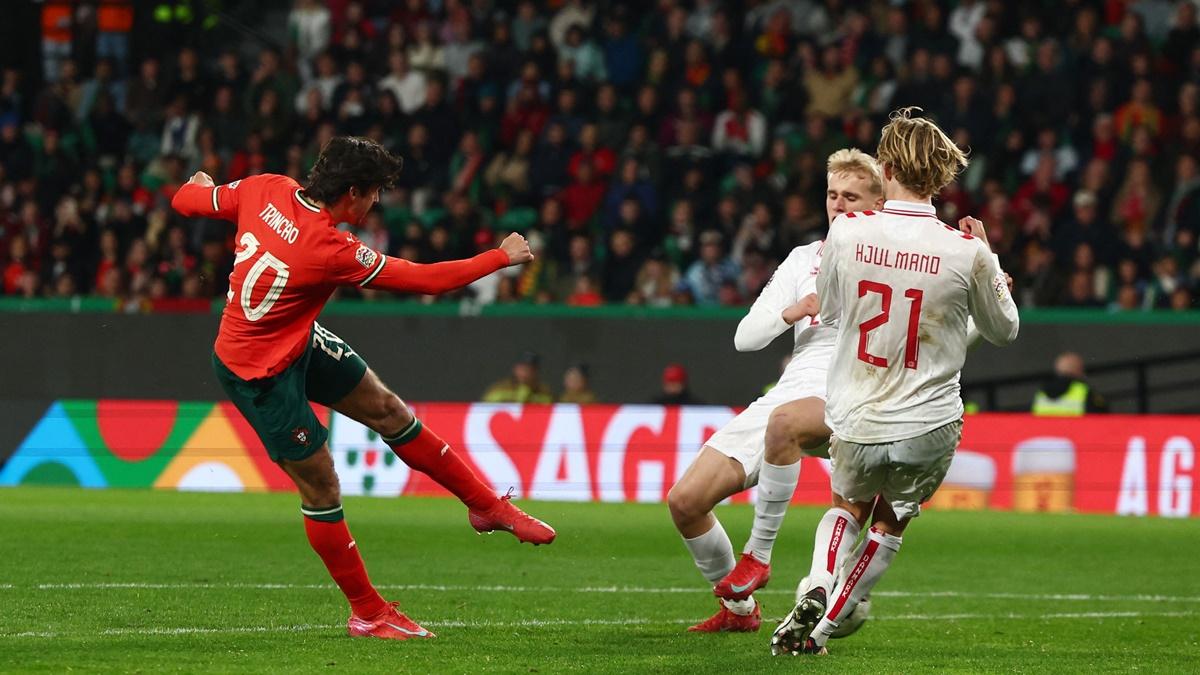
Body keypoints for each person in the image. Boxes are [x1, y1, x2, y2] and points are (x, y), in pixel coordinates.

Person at [170, 136, 556, 643]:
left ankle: (487, 506)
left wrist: (201, 186)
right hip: (257, 372)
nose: (376, 203)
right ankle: (367, 612)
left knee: (389, 410)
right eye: (374, 193)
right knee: (323, 486)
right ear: (352, 192)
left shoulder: (265, 188)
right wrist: (499, 257)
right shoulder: (330, 249)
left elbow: (185, 200)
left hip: (295, 340)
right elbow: (427, 280)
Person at [770, 108, 1019, 656]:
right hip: (929, 421)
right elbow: (1004, 330)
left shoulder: (849, 232)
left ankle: (815, 581)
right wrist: (992, 263)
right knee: (892, 519)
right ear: (940, 174)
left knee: (846, 507)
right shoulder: (965, 249)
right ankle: (823, 629)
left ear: (885, 168)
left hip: (858, 414)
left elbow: (832, 311)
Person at [666, 149, 884, 633]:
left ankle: (772, 563)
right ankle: (741, 612)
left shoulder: (897, 259)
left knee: (837, 492)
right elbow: (745, 338)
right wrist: (795, 309)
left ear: (878, 202)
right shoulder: (804, 259)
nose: (839, 205)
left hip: (861, 391)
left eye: (852, 196)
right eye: (832, 195)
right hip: (794, 388)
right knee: (686, 501)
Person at [1032, 351, 1108, 415]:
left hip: (1047, 432)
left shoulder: (1041, 393)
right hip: (1076, 432)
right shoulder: (1083, 390)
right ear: (1078, 369)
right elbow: (1102, 417)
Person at [482, 351, 555, 403]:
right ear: (515, 369)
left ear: (536, 372)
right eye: (522, 369)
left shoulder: (544, 393)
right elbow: (486, 410)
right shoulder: (498, 389)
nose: (525, 373)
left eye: (530, 370)